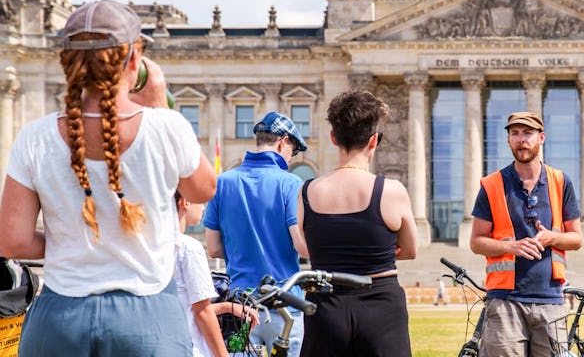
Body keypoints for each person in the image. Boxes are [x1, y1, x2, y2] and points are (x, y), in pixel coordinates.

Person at [0, 0, 216, 355]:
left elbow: (13, 242)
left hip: (59, 318)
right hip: (148, 319)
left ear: (66, 63)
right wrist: (159, 104)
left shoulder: (34, 137)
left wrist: (75, 241)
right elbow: (203, 189)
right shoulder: (166, 127)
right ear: (134, 60)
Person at [298, 90, 417, 356]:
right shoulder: (392, 191)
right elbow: (410, 250)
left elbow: (308, 246)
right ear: (374, 140)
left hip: (325, 304)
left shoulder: (307, 191)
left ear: (333, 137)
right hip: (381, 303)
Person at [470, 111, 583, 357]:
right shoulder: (492, 184)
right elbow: (476, 242)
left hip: (550, 300)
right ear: (509, 140)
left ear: (541, 138)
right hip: (504, 301)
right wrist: (511, 247)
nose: (521, 139)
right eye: (515, 134)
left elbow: (577, 239)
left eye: (528, 133)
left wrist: (552, 237)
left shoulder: (561, 181)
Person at [203, 111, 310, 356]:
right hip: (284, 305)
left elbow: (214, 249)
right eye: (292, 151)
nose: (291, 158)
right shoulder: (290, 184)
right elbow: (300, 245)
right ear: (283, 142)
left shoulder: (222, 182)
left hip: (240, 306)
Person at [174, 191, 259, 357]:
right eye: (201, 201)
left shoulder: (154, 246)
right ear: (185, 202)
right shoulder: (189, 248)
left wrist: (227, 307)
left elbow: (187, 308)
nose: (203, 207)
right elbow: (202, 312)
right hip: (191, 348)